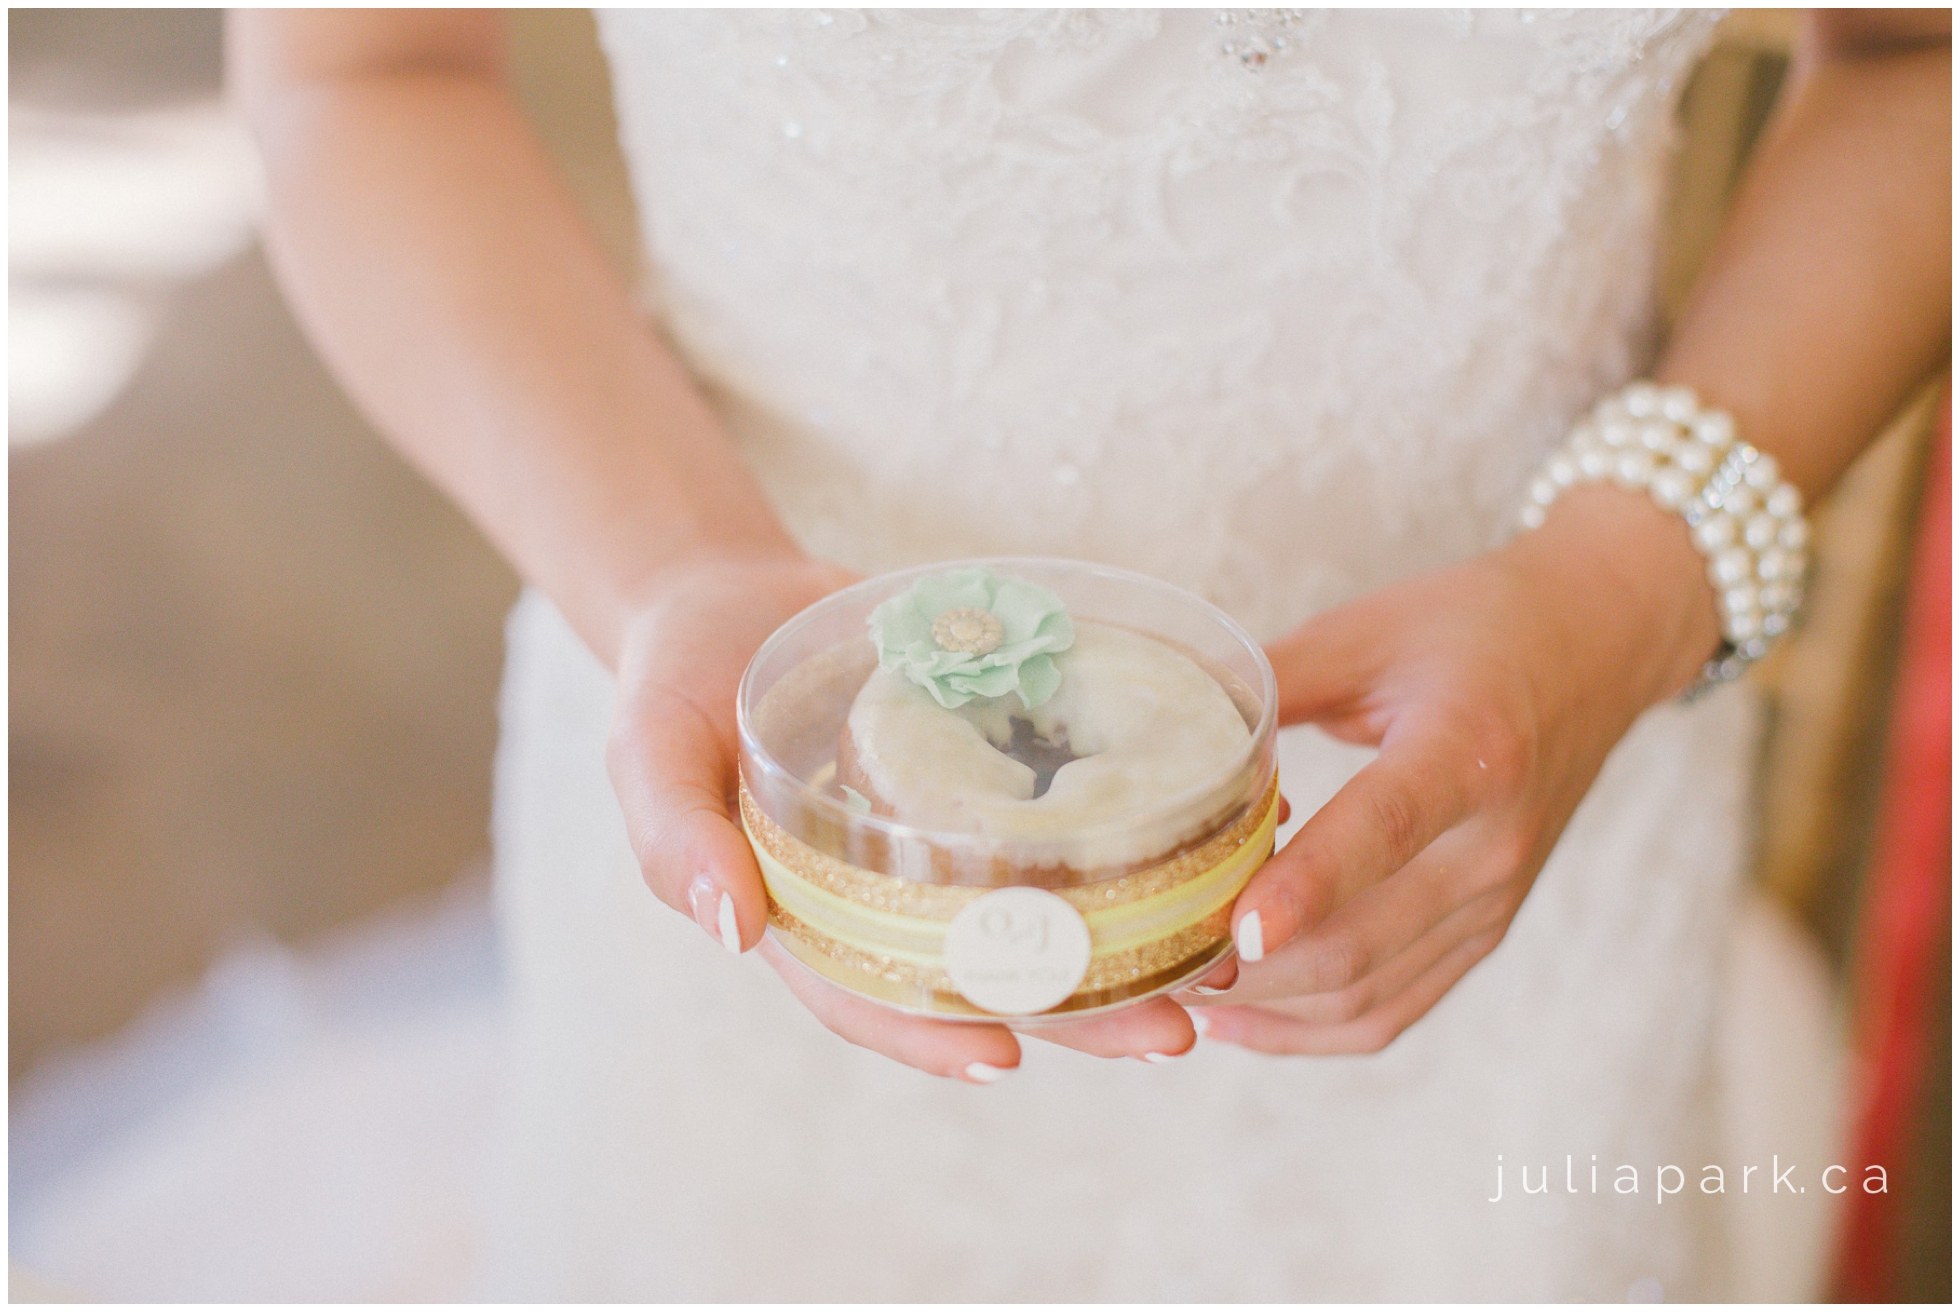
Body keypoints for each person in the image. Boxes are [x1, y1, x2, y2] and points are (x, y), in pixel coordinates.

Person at [230, 8, 1949, 1300]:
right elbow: (365, 71)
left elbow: (1916, 59)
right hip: (787, 801)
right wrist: (678, 570)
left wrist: (1624, 585)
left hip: (1499, 826)